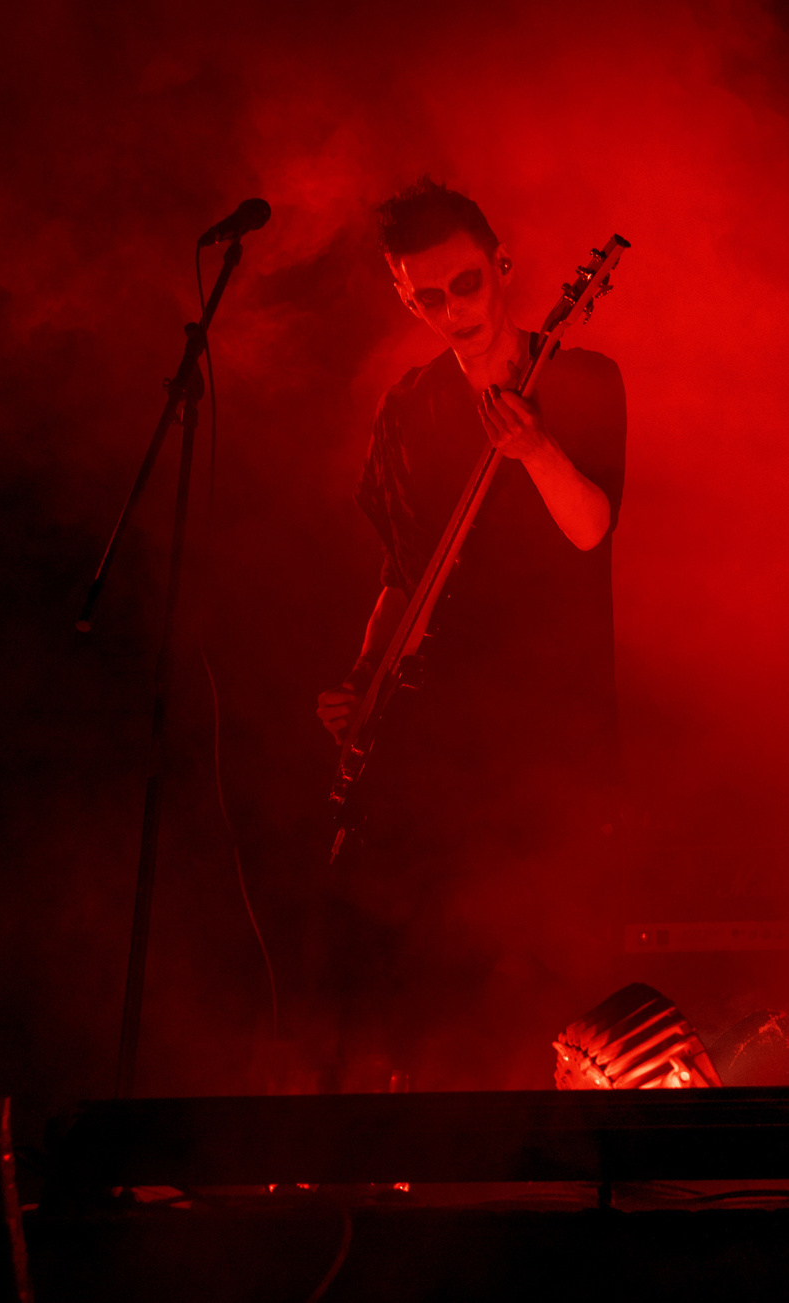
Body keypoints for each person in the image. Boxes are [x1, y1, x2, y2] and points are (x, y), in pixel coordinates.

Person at [315, 177, 626, 1090]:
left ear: (501, 268)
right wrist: (364, 680)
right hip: (429, 746)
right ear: (404, 297)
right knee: (400, 989)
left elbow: (591, 527)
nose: (454, 310)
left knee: (536, 994)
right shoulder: (406, 408)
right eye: (429, 297)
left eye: (467, 285)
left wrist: (536, 451)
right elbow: (402, 569)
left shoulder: (581, 378)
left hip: (547, 744)